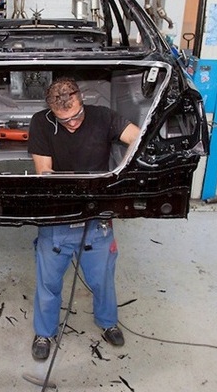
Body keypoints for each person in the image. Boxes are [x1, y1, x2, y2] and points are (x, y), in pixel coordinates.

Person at [26, 77, 140, 361]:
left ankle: (108, 322)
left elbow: (139, 138)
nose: (73, 123)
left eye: (76, 115)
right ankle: (44, 332)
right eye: (64, 119)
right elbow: (44, 172)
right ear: (52, 111)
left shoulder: (104, 117)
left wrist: (123, 170)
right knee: (49, 282)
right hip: (57, 213)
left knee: (102, 278)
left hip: (97, 213)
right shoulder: (41, 122)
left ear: (82, 100)